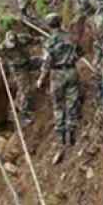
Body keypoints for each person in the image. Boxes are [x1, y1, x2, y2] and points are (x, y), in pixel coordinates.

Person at [37, 13, 84, 147]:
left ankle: (60, 136)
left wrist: (41, 79)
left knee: (58, 104)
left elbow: (47, 62)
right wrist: (71, 60)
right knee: (71, 102)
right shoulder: (71, 37)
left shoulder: (49, 42)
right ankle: (70, 135)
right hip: (71, 71)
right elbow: (80, 52)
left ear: (49, 25)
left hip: (57, 74)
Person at [0, 30, 38, 126]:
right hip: (18, 69)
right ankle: (23, 114)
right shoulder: (3, 46)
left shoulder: (23, 38)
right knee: (26, 90)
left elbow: (35, 40)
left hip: (28, 62)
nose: (13, 45)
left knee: (43, 62)